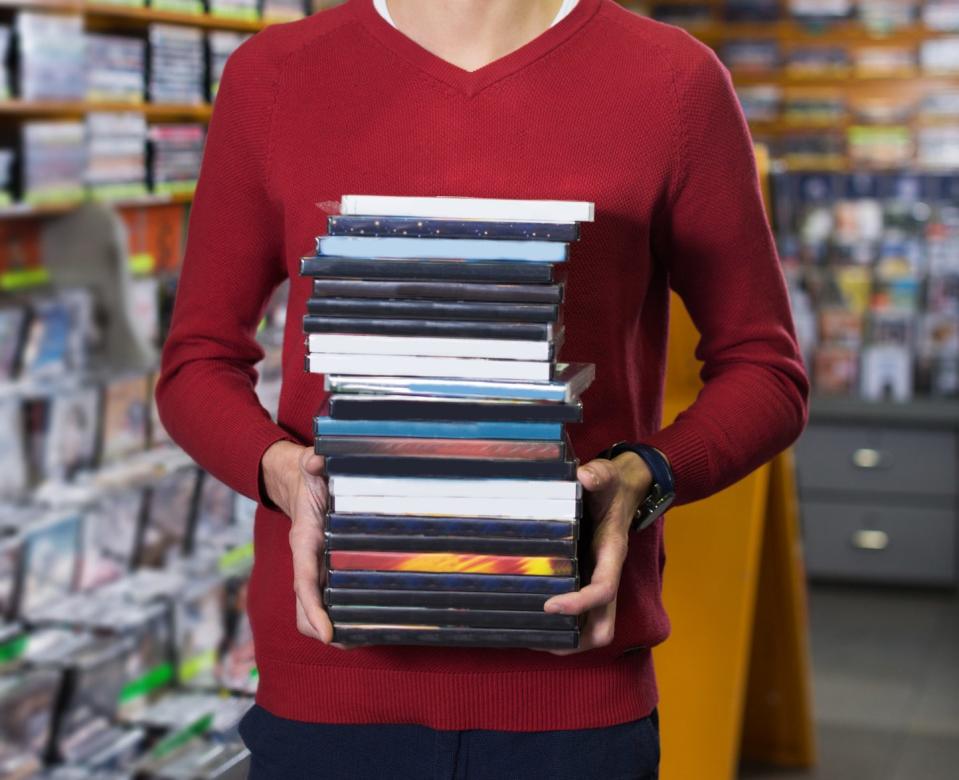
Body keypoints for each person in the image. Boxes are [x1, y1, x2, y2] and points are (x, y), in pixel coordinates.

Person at [156, 0, 809, 777]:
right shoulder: (275, 76)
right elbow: (195, 361)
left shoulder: (671, 81)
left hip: (572, 693)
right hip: (332, 680)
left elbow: (765, 370)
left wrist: (645, 478)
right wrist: (281, 472)